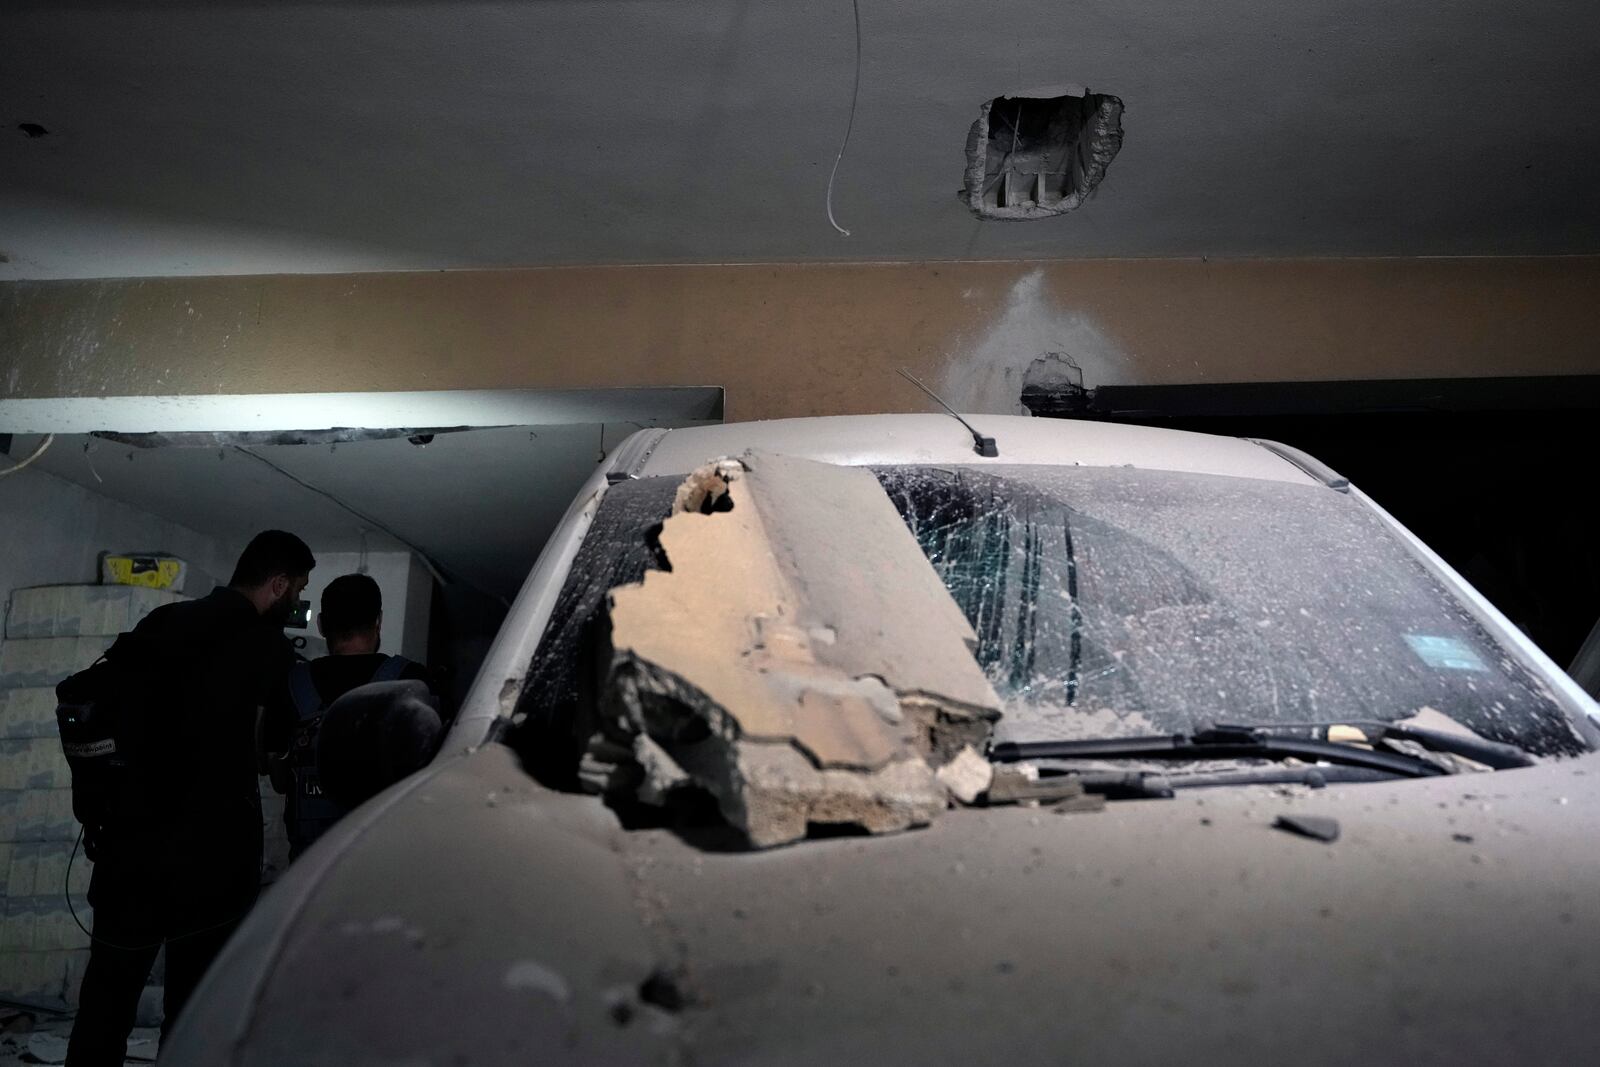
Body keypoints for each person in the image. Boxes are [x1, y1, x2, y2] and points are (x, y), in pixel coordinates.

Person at [66, 530, 314, 1067]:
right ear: (277, 584)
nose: (296, 602)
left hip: (127, 858)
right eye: (297, 590)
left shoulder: (163, 622)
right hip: (209, 870)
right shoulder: (266, 648)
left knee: (103, 1009)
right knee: (192, 1016)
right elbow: (282, 750)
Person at [264, 573, 438, 859]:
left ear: (321, 625)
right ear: (378, 620)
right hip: (382, 855)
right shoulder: (410, 679)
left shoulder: (292, 683)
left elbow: (279, 779)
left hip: (310, 860)